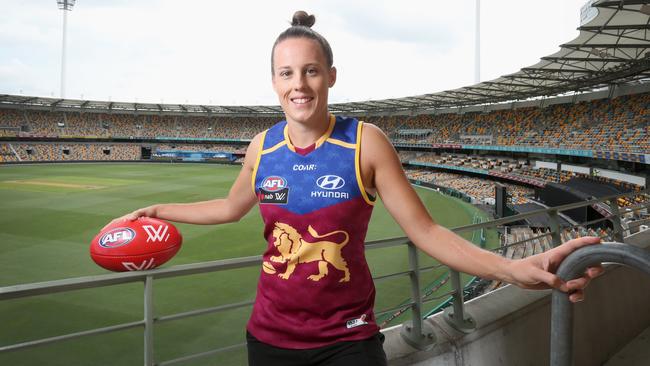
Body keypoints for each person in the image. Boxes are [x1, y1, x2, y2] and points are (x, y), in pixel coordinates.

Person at [105, 10, 603, 366]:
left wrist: (511, 269)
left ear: (331, 76)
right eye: (286, 73)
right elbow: (231, 207)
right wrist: (158, 209)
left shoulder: (366, 143)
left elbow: (426, 231)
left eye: (311, 70)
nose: (298, 84)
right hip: (268, 339)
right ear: (273, 82)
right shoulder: (262, 147)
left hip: (349, 342)